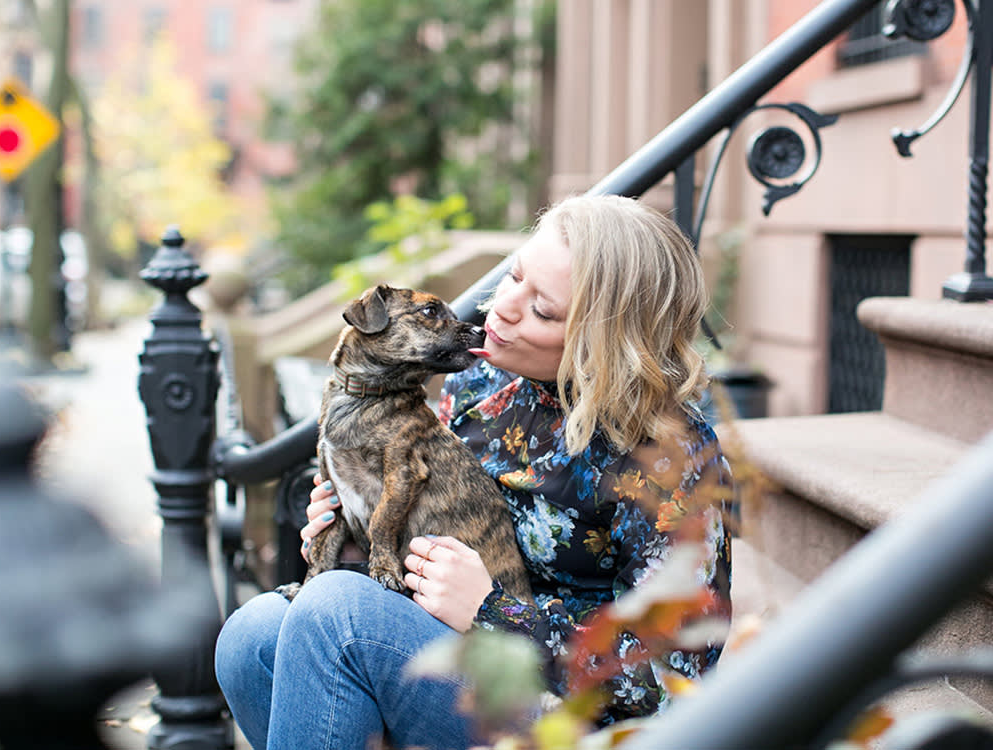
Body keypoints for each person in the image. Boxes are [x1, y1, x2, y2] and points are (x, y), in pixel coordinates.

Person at [215, 194, 733, 750]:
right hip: (458, 657)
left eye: (544, 311)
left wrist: (492, 612)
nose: (503, 308)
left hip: (574, 719)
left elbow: (667, 682)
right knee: (252, 637)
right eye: (514, 277)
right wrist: (356, 524)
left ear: (608, 341)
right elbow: (441, 512)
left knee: (334, 616)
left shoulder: (670, 461)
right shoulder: (481, 385)